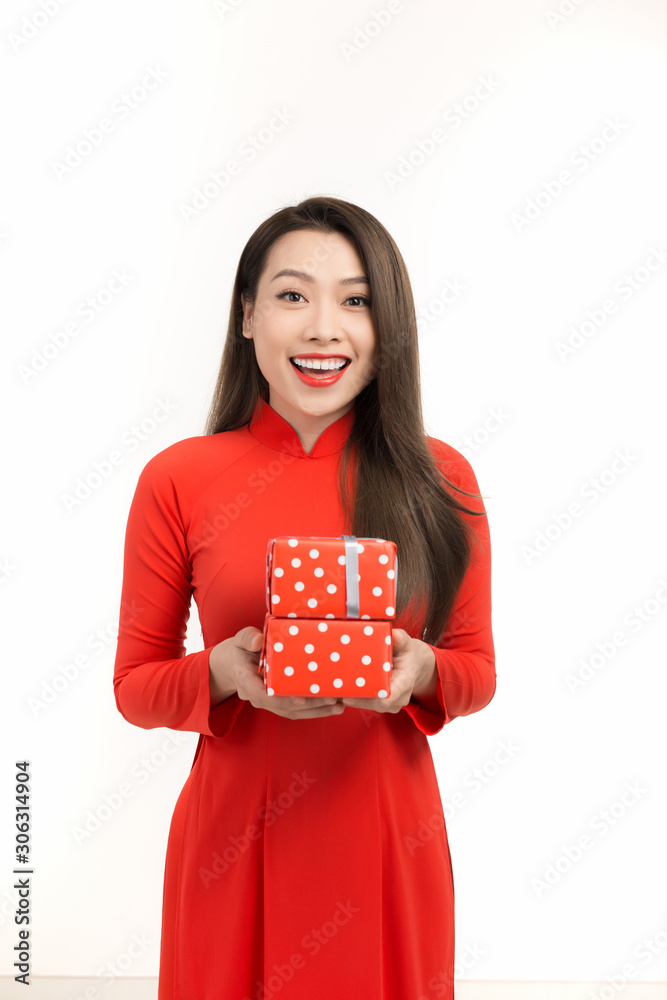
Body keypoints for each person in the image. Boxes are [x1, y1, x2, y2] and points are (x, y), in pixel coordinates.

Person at [112, 195, 496, 1000]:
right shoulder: (177, 477)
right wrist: (220, 672)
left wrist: (419, 666)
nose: (324, 327)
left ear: (386, 325)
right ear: (247, 315)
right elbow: (135, 687)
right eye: (292, 295)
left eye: (355, 300)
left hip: (389, 845)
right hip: (231, 845)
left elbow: (476, 671)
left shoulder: (442, 477)